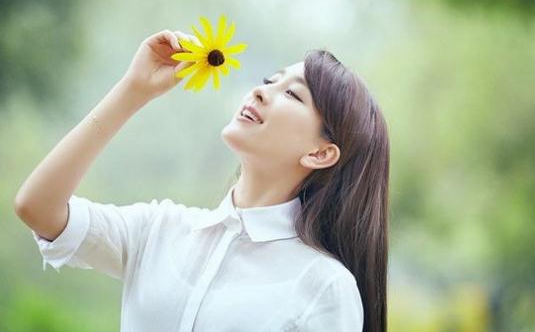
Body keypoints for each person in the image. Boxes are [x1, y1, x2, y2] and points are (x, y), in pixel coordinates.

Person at [14, 28, 389, 332]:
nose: (260, 90)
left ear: (320, 153)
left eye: (291, 94)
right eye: (268, 80)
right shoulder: (160, 230)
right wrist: (134, 90)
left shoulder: (324, 287)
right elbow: (37, 206)